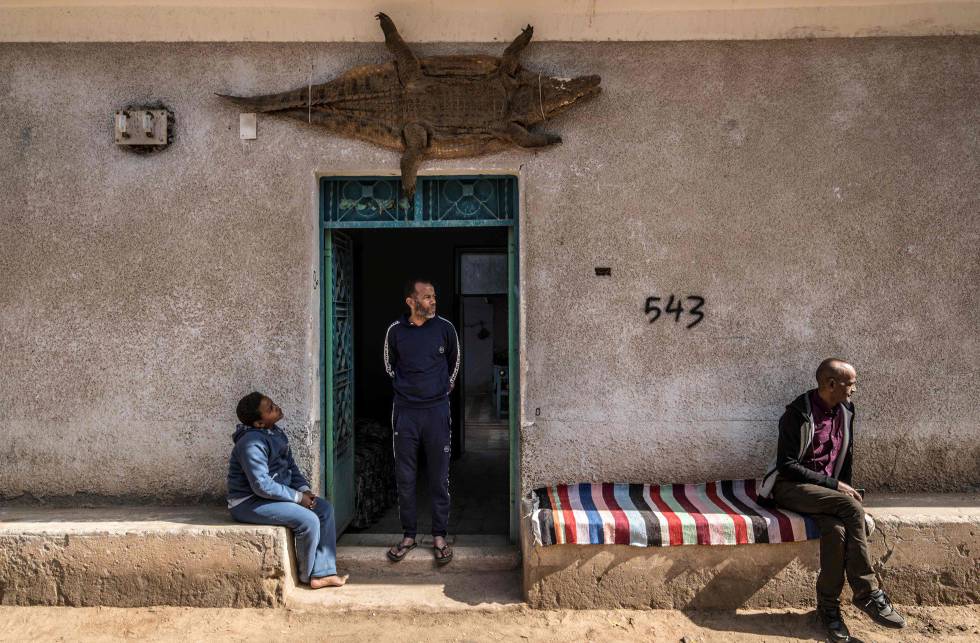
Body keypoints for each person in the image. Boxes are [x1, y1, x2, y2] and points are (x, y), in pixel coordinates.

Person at [760, 359, 905, 641]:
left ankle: (828, 611)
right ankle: (866, 592)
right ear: (830, 384)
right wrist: (835, 486)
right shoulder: (797, 413)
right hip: (790, 487)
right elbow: (787, 464)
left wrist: (844, 486)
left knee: (837, 531)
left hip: (827, 495)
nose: (854, 389)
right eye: (850, 383)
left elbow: (845, 457)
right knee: (850, 507)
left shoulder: (846, 411)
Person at [227, 392, 348, 589]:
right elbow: (261, 486)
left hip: (271, 497)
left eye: (273, 404)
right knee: (308, 520)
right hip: (249, 502)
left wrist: (304, 490)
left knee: (324, 509)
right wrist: (298, 498)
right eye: (270, 409)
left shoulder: (276, 433)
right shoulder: (250, 443)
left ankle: (324, 572)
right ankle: (307, 575)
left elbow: (290, 468)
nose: (276, 407)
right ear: (259, 423)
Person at [383, 278, 460, 564]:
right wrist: (409, 389)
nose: (433, 301)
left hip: (437, 411)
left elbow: (455, 361)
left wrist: (444, 386)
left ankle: (440, 536)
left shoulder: (445, 328)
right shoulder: (395, 331)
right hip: (405, 412)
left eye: (434, 296)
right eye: (427, 297)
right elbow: (389, 366)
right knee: (405, 476)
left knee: (439, 476)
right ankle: (409, 535)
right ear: (411, 301)